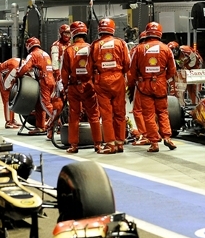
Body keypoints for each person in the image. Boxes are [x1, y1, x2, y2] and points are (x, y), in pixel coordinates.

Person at [128, 22, 177, 152]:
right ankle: (167, 137)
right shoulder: (166, 49)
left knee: (148, 115)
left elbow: (132, 70)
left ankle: (154, 142)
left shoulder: (138, 49)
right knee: (162, 112)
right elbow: (172, 69)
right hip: (160, 84)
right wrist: (162, 78)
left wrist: (136, 82)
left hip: (144, 85)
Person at [61, 21, 103, 153]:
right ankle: (98, 144)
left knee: (74, 116)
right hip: (89, 86)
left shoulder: (68, 50)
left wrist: (65, 86)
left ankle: (73, 145)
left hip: (74, 86)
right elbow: (97, 67)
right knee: (94, 115)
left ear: (73, 34)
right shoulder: (92, 48)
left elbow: (64, 72)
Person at [90, 18, 131, 154]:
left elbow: (89, 66)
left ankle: (110, 144)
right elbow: (127, 63)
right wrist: (120, 73)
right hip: (118, 79)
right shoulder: (121, 43)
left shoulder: (95, 45)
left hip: (102, 80)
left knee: (106, 114)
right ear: (113, 29)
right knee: (120, 112)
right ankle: (120, 143)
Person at [13, 37, 55, 135]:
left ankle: (58, 124)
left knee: (45, 104)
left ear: (28, 46)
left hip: (43, 81)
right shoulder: (45, 54)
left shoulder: (32, 55)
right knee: (39, 105)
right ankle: (41, 126)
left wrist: (18, 74)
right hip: (51, 80)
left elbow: (25, 67)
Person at [0, 57, 23, 129]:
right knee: (7, 98)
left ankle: (12, 119)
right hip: (1, 74)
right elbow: (6, 84)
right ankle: (8, 122)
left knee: (12, 96)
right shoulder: (15, 68)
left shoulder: (25, 65)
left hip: (9, 73)